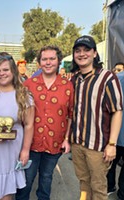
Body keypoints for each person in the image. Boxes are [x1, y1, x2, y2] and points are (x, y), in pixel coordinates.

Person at [16, 45, 74, 200]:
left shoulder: (68, 86)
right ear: (39, 62)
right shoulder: (28, 84)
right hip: (30, 144)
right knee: (26, 181)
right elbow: (19, 112)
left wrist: (67, 139)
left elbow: (70, 115)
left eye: (52, 59)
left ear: (58, 61)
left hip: (54, 143)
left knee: (46, 178)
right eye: (44, 59)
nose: (48, 62)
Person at [70, 35, 123, 200]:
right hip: (78, 144)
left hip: (98, 147)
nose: (82, 54)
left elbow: (117, 111)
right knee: (84, 183)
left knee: (99, 188)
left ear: (94, 53)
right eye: (78, 51)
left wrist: (112, 144)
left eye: (87, 50)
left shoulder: (107, 77)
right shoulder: (75, 79)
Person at [0, 52, 35, 200]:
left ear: (13, 71)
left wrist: (25, 150)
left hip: (11, 149)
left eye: (5, 70)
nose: (2, 74)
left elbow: (29, 125)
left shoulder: (23, 94)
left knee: (6, 191)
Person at [107, 70, 124, 199]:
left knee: (110, 163)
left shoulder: (115, 78)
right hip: (117, 133)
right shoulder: (117, 78)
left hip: (115, 133)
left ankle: (110, 185)